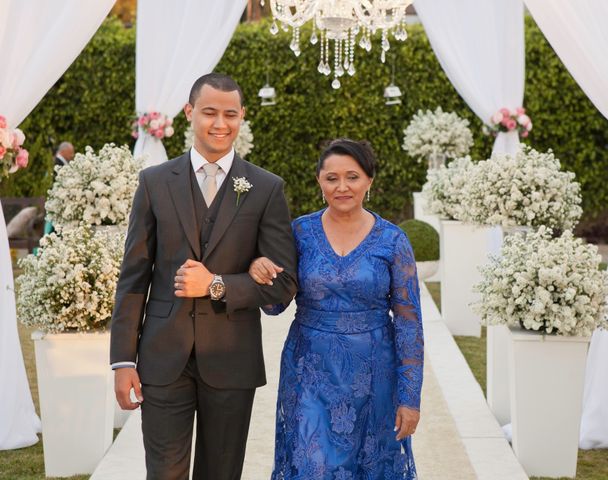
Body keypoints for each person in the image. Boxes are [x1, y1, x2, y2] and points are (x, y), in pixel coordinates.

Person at [109, 73, 298, 480]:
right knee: (164, 474)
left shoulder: (266, 188)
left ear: (243, 116)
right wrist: (123, 360)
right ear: (190, 112)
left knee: (221, 473)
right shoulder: (155, 182)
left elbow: (283, 283)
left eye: (230, 114)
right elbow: (134, 277)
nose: (220, 123)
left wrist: (217, 285)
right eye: (210, 112)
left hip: (232, 359)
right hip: (162, 358)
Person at [250, 139, 424, 479]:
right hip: (309, 372)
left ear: (369, 180)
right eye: (331, 178)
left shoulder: (393, 240)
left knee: (369, 466)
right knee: (313, 464)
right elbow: (275, 306)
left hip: (376, 375)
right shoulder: (299, 232)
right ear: (319, 181)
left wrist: (410, 397)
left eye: (352, 177)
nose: (342, 187)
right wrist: (261, 273)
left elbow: (409, 324)